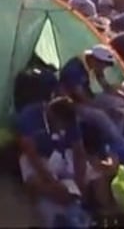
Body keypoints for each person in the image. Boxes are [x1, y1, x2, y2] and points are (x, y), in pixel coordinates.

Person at [14, 97, 93, 228]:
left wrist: (81, 180)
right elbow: (30, 153)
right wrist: (51, 181)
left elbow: (79, 151)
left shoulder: (69, 118)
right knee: (38, 184)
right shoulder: (29, 115)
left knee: (93, 180)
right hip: (38, 157)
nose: (62, 128)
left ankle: (81, 210)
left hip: (62, 154)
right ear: (51, 114)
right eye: (60, 124)